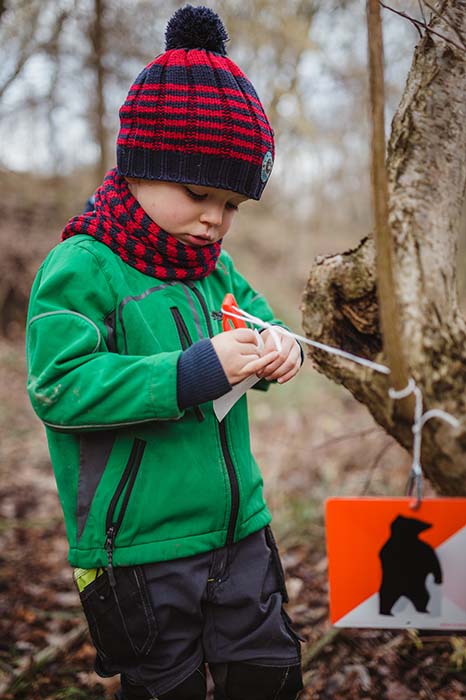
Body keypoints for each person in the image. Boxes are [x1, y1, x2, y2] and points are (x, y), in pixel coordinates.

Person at [26, 5, 304, 699]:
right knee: (162, 687)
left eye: (234, 204)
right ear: (141, 166)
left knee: (266, 674)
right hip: (137, 553)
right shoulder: (83, 266)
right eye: (200, 193)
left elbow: (262, 321)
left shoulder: (213, 267)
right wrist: (191, 372)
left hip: (240, 530)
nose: (217, 218)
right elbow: (60, 386)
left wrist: (279, 348)